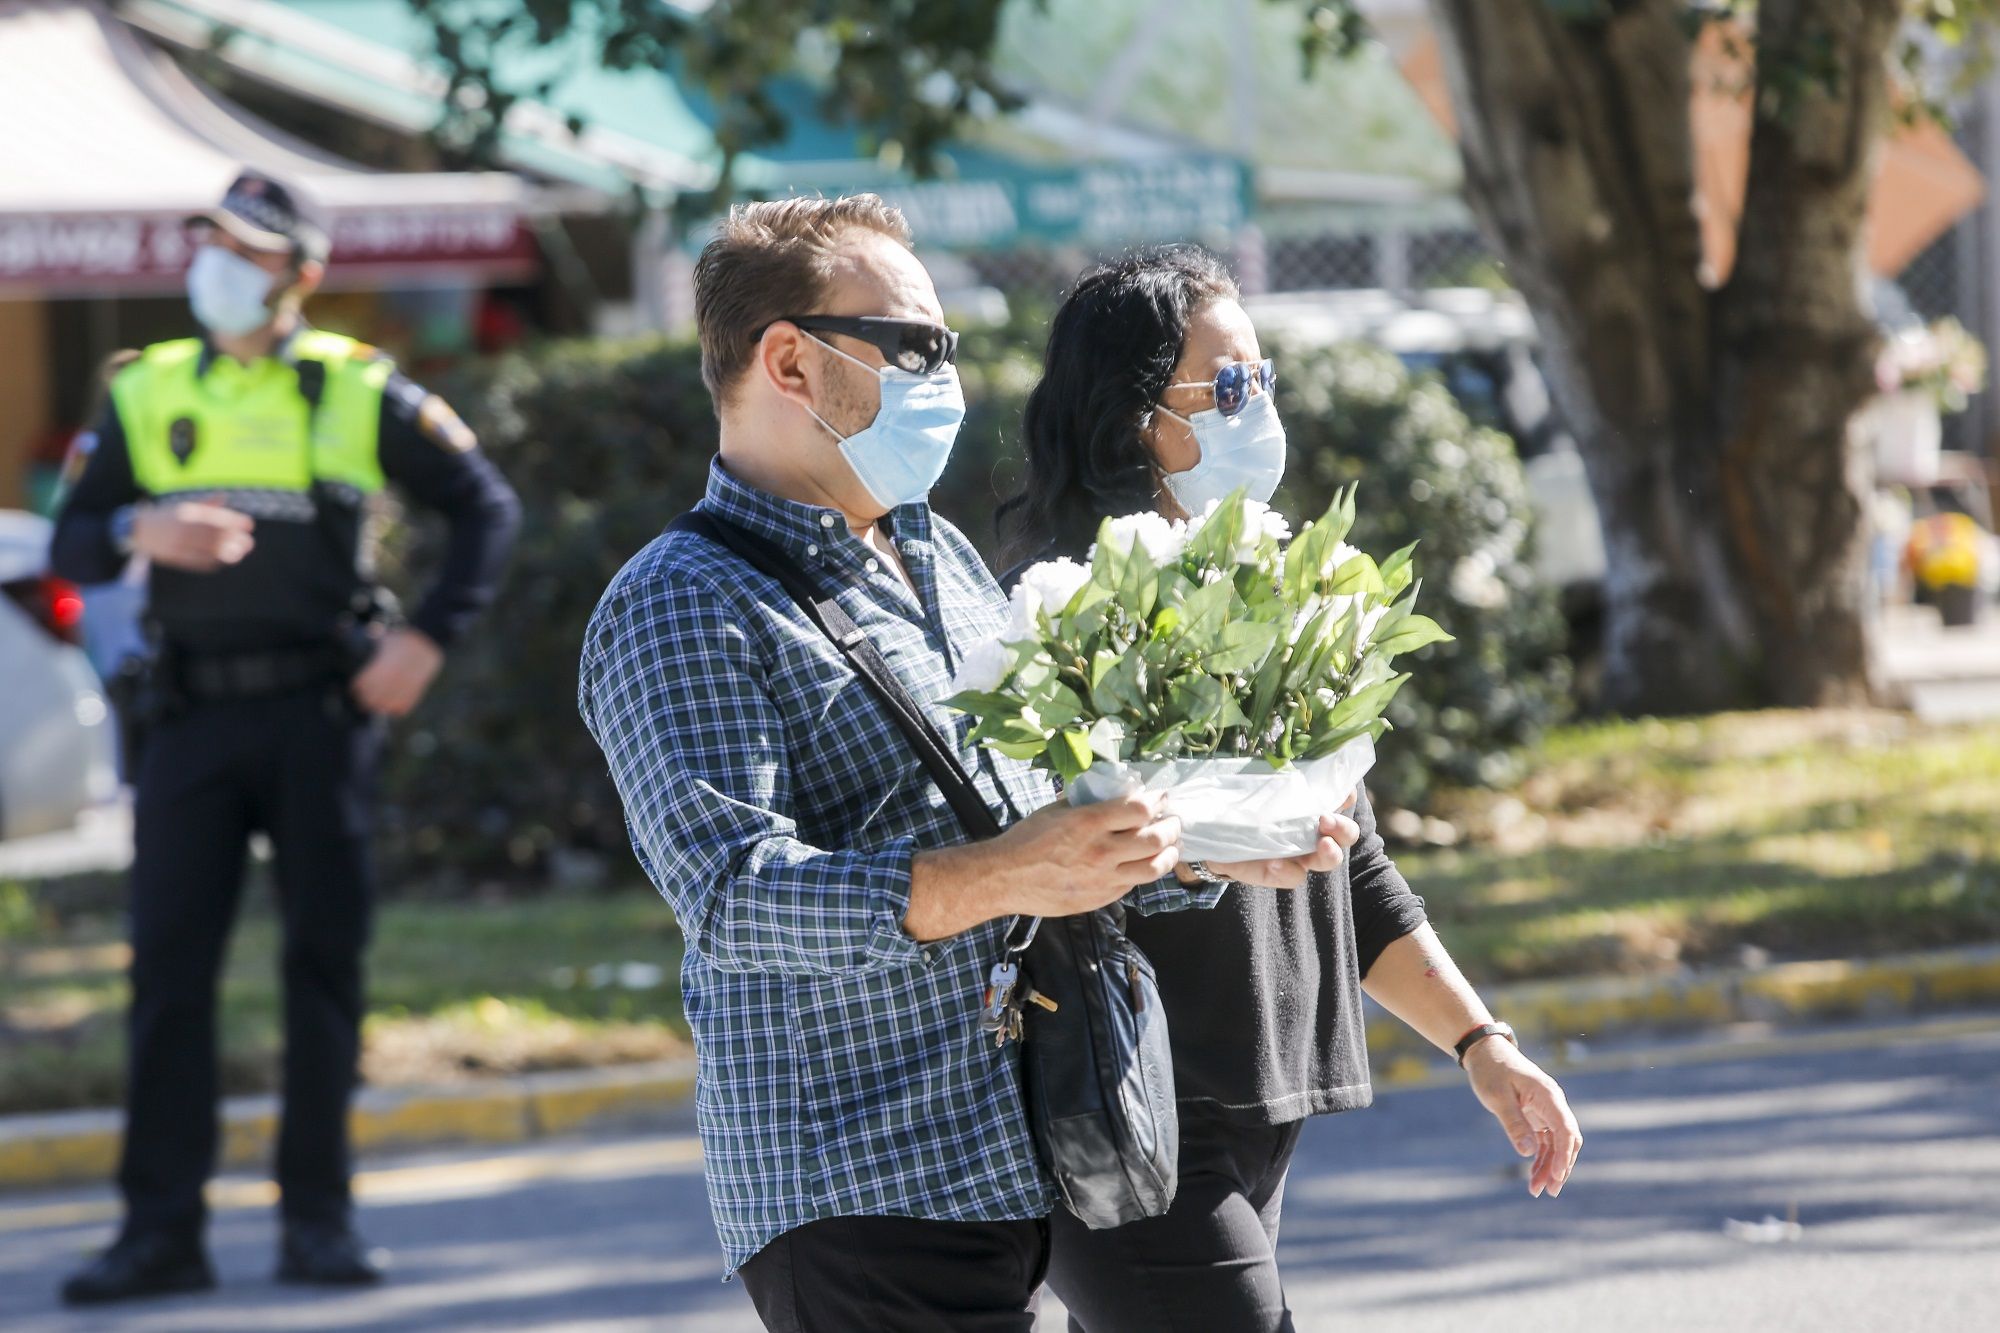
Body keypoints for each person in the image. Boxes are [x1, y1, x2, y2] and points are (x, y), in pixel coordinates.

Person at [576, 196, 1359, 1333]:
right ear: (789, 360)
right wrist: (1002, 873)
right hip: (857, 1187)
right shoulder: (679, 600)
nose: (946, 374)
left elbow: (1037, 810)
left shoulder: (932, 552)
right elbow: (733, 896)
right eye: (916, 347)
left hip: (1009, 1162)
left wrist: (1218, 847)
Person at [998, 246, 1583, 1333]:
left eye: (1260, 381)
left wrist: (1480, 1044)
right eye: (1224, 387)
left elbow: (1346, 858)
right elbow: (1038, 860)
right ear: (1136, 421)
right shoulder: (1054, 620)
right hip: (1117, 1101)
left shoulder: (1273, 593)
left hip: (1255, 1102)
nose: (1253, 410)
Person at [49, 171, 521, 1306]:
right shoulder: (147, 386)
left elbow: (485, 509)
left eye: (247, 251)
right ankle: (160, 1231)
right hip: (190, 718)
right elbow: (71, 544)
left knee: (322, 968)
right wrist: (134, 524)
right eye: (208, 244)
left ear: (299, 276)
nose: (218, 266)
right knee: (167, 974)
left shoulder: (357, 389)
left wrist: (425, 642)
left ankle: (319, 1219)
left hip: (321, 713)